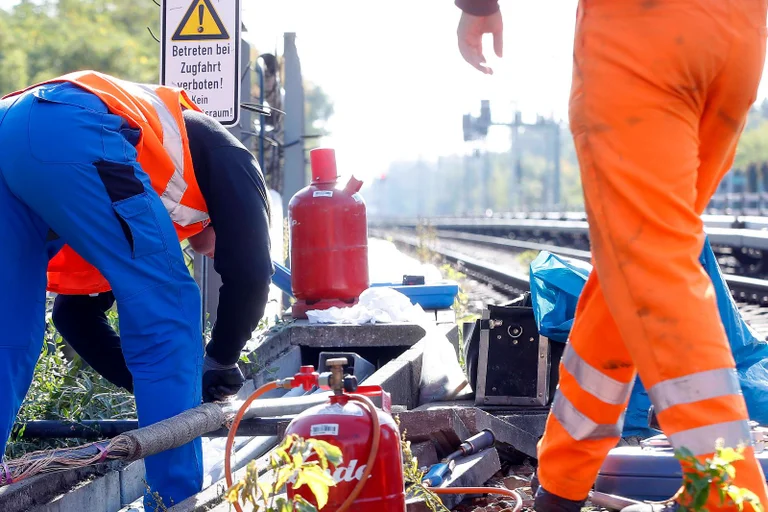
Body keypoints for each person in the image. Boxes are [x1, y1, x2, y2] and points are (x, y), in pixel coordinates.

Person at [455, 1, 768, 511]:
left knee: (654, 267)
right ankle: (562, 479)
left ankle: (730, 497)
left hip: (642, 36)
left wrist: (478, 5)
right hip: (738, 36)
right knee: (632, 264)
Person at [0, 70, 273, 509]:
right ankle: (176, 501)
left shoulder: (124, 185)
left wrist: (156, 385)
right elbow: (252, 270)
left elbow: (75, 316)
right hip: (69, 124)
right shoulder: (227, 155)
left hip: (10, 125)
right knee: (169, 309)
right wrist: (220, 359)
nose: (203, 251)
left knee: (7, 336)